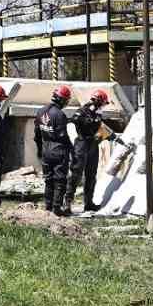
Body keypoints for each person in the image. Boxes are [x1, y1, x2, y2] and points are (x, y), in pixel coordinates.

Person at [33, 84, 74, 216]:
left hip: (46, 150)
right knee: (60, 180)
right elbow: (63, 136)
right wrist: (72, 150)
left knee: (48, 179)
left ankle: (48, 206)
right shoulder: (60, 115)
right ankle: (56, 208)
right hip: (58, 150)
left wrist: (39, 150)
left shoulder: (41, 111)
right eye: (66, 101)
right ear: (62, 100)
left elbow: (37, 134)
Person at [68, 88, 109, 213]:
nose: (103, 106)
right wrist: (87, 120)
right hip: (82, 143)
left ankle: (89, 203)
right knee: (76, 174)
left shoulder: (98, 113)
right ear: (98, 101)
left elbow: (101, 128)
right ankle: (67, 202)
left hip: (93, 144)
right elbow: (74, 119)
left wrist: (110, 136)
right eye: (103, 103)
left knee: (91, 175)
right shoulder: (83, 110)